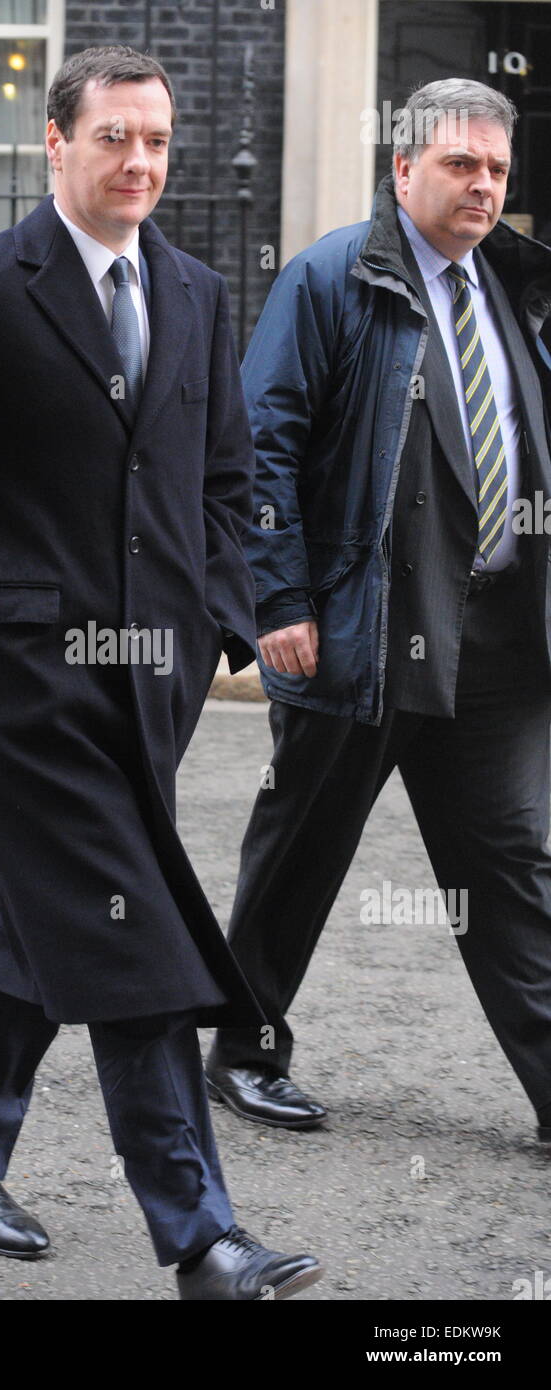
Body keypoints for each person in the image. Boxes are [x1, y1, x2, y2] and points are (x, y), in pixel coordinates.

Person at [0, 45, 322, 1301]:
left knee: (47, 919)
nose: (139, 163)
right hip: (27, 684)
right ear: (55, 143)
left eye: (155, 141)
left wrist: (221, 617)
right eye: (113, 138)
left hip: (150, 676)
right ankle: (200, 1235)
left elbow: (221, 474)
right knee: (128, 924)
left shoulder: (199, 292)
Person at [206, 78, 551, 1149]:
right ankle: (245, 1047)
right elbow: (258, 444)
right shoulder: (328, 278)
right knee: (303, 844)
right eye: (458, 164)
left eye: (494, 168)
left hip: (494, 634)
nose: (481, 185)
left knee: (509, 860)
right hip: (361, 621)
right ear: (400, 170)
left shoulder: (515, 287)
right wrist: (277, 597)